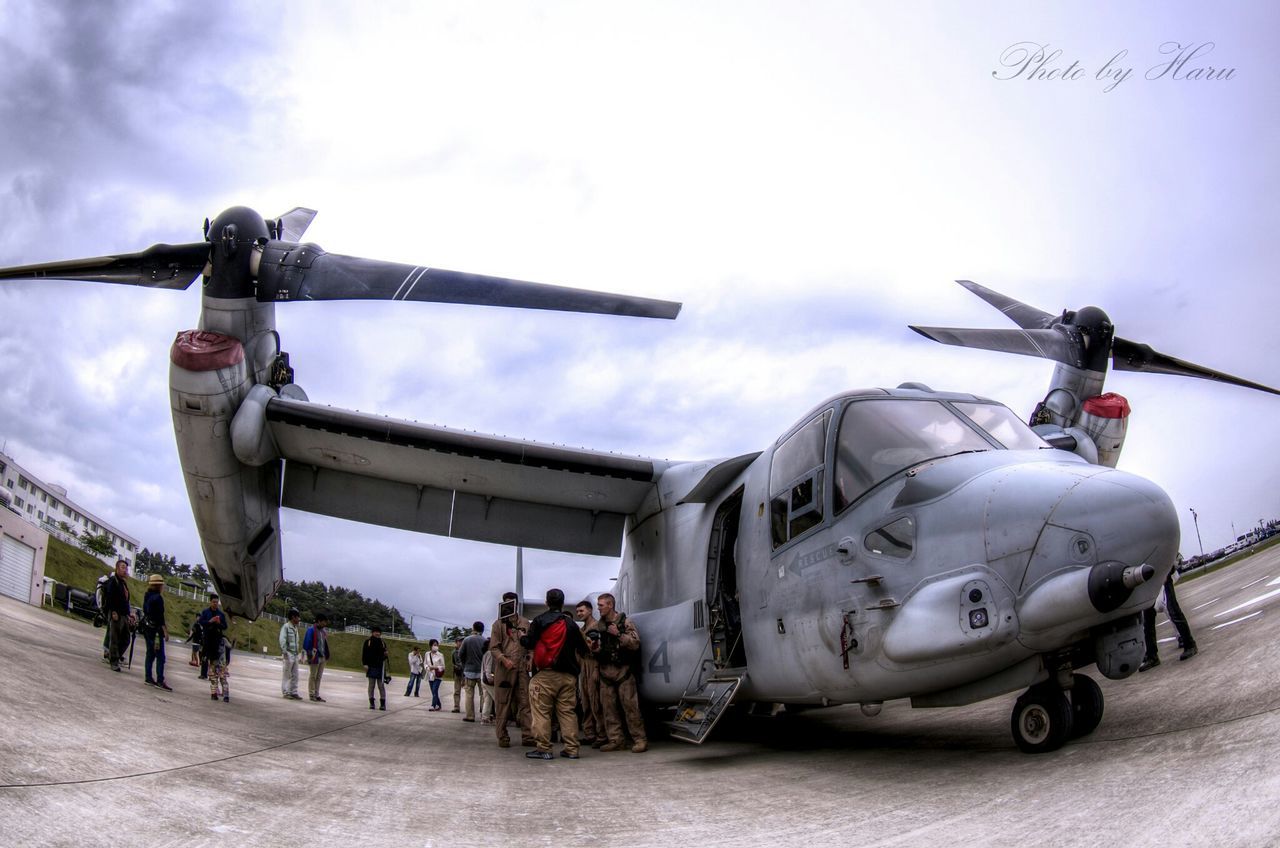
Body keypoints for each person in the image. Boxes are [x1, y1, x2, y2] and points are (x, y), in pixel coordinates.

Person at [520, 588, 589, 760]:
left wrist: (522, 636)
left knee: (542, 713)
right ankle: (572, 749)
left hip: (545, 675)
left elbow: (529, 642)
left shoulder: (539, 620)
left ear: (546, 602)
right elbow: (583, 649)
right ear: (563, 603)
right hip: (568, 677)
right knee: (567, 712)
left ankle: (544, 748)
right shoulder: (571, 624)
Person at [590, 592, 647, 752]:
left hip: (623, 672)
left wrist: (619, 635)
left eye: (601, 605)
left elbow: (635, 643)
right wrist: (594, 649)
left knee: (631, 708)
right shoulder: (597, 627)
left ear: (610, 605)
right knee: (608, 709)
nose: (598, 608)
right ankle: (616, 740)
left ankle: (639, 739)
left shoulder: (625, 623)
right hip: (605, 672)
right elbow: (593, 651)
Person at [490, 592, 533, 748]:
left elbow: (530, 643)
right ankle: (502, 736)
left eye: (512, 602)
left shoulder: (524, 622)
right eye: (507, 603)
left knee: (525, 701)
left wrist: (530, 657)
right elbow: (493, 647)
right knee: (503, 703)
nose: (510, 606)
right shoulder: (498, 624)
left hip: (521, 667)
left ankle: (528, 735)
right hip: (505, 669)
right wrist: (503, 659)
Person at [1140, 571, 1198, 671]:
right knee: (1148, 620)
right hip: (1148, 582)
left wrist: (1166, 570)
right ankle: (1152, 656)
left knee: (1173, 611)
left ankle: (1190, 644)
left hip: (1163, 575)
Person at [574, 599, 604, 745]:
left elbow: (600, 650)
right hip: (583, 666)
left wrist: (597, 670)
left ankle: (601, 735)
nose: (579, 613)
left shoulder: (597, 627)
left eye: (582, 610)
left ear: (590, 611)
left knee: (595, 701)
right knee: (585, 702)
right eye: (578, 611)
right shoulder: (581, 630)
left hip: (593, 664)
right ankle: (589, 733)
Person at [140, 574, 172, 690]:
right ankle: (160, 680)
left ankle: (148, 677)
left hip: (147, 627)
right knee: (160, 656)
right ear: (158, 586)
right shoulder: (158, 598)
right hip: (156, 630)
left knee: (150, 653)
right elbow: (160, 616)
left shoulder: (147, 595)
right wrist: (165, 630)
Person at [102, 559, 133, 672]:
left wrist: (129, 614)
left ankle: (115, 655)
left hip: (124, 614)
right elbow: (110, 597)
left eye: (126, 568)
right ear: (117, 568)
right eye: (123, 567)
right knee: (114, 638)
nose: (125, 570)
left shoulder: (123, 582)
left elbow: (125, 600)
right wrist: (113, 611)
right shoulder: (113, 581)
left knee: (126, 639)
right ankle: (114, 661)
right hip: (116, 614)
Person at [201, 597, 231, 702]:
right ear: (210, 602)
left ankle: (226, 694)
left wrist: (218, 623)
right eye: (213, 602)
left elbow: (225, 626)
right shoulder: (205, 612)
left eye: (216, 602)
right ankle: (213, 693)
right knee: (213, 672)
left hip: (219, 644)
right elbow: (202, 622)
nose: (215, 604)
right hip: (209, 644)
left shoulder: (221, 614)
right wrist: (210, 621)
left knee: (222, 673)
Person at [458, 621, 486, 721]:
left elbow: (460, 654)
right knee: (483, 694)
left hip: (469, 671)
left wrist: (465, 665)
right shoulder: (485, 641)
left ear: (473, 628)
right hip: (482, 672)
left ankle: (470, 716)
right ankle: (484, 715)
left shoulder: (467, 640)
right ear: (482, 630)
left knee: (469, 694)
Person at [304, 613, 331, 702]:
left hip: (322, 657)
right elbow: (307, 644)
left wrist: (327, 655)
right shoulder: (311, 630)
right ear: (319, 621)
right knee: (313, 676)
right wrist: (309, 656)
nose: (325, 624)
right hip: (315, 656)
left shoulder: (323, 632)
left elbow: (324, 644)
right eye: (324, 622)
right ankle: (312, 694)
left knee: (319, 677)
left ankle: (317, 694)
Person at [363, 626, 390, 710]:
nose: (377, 633)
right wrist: (365, 664)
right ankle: (371, 703)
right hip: (371, 666)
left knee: (381, 685)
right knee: (371, 685)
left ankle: (383, 703)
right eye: (376, 632)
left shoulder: (382, 642)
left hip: (380, 667)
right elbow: (364, 654)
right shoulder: (368, 642)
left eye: (379, 632)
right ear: (372, 632)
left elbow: (385, 655)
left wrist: (386, 655)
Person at [279, 608, 303, 700]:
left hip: (295, 654)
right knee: (286, 674)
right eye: (298, 617)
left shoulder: (295, 628)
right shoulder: (286, 627)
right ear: (293, 617)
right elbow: (282, 639)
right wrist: (285, 652)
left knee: (295, 675)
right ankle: (285, 692)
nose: (299, 619)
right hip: (288, 653)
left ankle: (293, 692)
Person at [426, 639, 446, 710]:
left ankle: (433, 705)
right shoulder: (427, 654)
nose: (436, 646)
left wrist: (435, 667)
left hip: (437, 676)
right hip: (430, 675)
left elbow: (443, 667)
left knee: (434, 690)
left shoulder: (440, 655)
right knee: (433, 691)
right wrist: (428, 668)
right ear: (430, 646)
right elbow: (425, 663)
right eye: (434, 645)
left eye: (437, 645)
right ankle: (439, 704)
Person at [480, 639, 496, 724]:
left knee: (487, 699)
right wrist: (491, 679)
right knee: (497, 698)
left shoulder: (486, 653)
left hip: (483, 679)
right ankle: (499, 717)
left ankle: (485, 717)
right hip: (488, 680)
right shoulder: (490, 653)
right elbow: (488, 669)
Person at [451, 637, 465, 713]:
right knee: (457, 691)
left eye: (462, 641)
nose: (461, 643)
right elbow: (453, 662)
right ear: (456, 642)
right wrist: (455, 667)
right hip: (457, 673)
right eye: (459, 641)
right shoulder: (454, 652)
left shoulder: (465, 651)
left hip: (465, 673)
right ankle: (456, 707)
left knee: (469, 692)